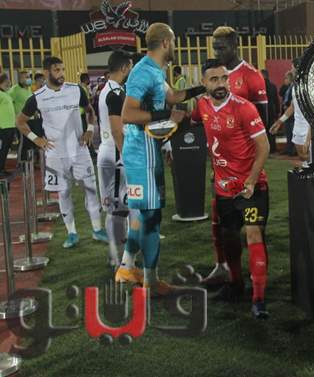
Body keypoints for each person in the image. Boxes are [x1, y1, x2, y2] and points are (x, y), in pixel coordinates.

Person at [116, 23, 205, 295]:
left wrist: (203, 88)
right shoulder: (143, 72)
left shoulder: (154, 70)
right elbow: (128, 114)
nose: (175, 46)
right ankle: (151, 282)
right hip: (141, 154)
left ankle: (126, 267)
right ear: (166, 42)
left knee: (142, 214)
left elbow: (173, 96)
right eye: (174, 41)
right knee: (151, 217)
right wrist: (166, 116)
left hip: (146, 151)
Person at [192, 58, 270, 319]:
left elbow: (264, 146)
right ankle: (236, 284)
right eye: (214, 79)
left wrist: (251, 180)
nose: (221, 84)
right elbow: (190, 119)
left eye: (224, 78)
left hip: (251, 188)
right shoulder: (202, 106)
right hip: (224, 190)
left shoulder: (244, 108)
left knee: (253, 235)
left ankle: (259, 299)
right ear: (204, 83)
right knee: (230, 239)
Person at [15, 56, 107, 248]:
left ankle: (98, 230)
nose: (62, 73)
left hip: (80, 151)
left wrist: (90, 130)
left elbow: (90, 111)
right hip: (56, 155)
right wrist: (37, 140)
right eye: (57, 70)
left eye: (63, 69)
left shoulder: (76, 90)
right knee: (63, 193)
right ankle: (72, 233)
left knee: (91, 189)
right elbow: (20, 122)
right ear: (46, 72)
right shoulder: (37, 97)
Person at [206, 25, 268, 287]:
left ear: (235, 45)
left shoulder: (252, 76)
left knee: (253, 227)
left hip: (246, 168)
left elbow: (263, 122)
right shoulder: (213, 75)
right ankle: (222, 267)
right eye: (215, 48)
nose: (217, 52)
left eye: (222, 47)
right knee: (220, 221)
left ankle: (256, 283)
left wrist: (249, 165)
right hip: (221, 166)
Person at [97, 50, 138, 270]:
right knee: (118, 208)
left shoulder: (110, 89)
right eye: (130, 67)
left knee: (119, 207)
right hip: (114, 153)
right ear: (124, 68)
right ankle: (118, 257)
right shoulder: (114, 93)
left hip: (109, 151)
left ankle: (117, 255)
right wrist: (125, 155)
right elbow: (116, 129)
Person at [8, 70, 35, 160]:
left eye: (29, 77)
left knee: (30, 141)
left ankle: (29, 161)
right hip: (21, 122)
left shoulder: (29, 89)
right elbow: (8, 103)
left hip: (31, 121)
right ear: (21, 79)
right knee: (23, 142)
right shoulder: (14, 90)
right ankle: (21, 162)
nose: (29, 79)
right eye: (26, 77)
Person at [0, 74, 15, 177]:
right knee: (2, 150)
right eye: (8, 80)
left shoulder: (6, 93)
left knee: (5, 150)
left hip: (10, 126)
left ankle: (2, 168)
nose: (9, 82)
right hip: (3, 127)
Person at [261, 69, 279, 154]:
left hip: (262, 111)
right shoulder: (273, 86)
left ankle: (265, 149)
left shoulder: (260, 86)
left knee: (263, 131)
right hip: (272, 111)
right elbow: (276, 100)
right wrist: (278, 111)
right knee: (272, 130)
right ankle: (273, 148)